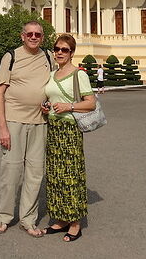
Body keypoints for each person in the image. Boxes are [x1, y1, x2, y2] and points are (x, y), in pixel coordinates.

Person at [0, 21, 52, 238]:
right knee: (11, 171)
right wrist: (2, 127)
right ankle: (4, 216)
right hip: (14, 122)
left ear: (42, 37)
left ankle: (28, 219)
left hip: (40, 122)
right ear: (22, 36)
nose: (34, 37)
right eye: (30, 34)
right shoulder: (11, 56)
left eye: (38, 34)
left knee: (35, 174)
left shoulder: (48, 57)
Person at [41, 34, 96, 242]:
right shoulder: (52, 74)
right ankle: (62, 218)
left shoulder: (78, 74)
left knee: (71, 175)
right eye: (57, 49)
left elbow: (90, 102)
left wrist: (69, 106)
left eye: (64, 50)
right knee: (55, 175)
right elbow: (52, 98)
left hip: (70, 129)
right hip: (54, 127)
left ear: (72, 53)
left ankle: (75, 222)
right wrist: (46, 108)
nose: (59, 53)